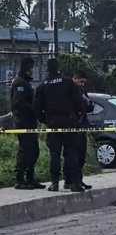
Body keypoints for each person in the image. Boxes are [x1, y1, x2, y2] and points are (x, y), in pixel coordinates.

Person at [35, 58, 87, 192]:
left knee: (55, 154)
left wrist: (46, 120)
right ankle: (74, 183)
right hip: (69, 122)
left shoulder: (43, 85)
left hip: (53, 123)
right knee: (71, 153)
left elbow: (37, 108)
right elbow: (79, 102)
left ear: (47, 69)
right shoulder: (68, 82)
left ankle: (55, 183)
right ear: (58, 68)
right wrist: (78, 116)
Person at [10, 57, 44, 190]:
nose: (32, 71)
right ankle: (20, 180)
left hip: (30, 122)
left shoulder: (26, 83)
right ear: (26, 68)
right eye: (31, 68)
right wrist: (34, 108)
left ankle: (30, 178)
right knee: (25, 151)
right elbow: (18, 103)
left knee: (34, 151)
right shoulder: (20, 83)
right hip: (23, 122)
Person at [69, 70, 94, 190]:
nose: (82, 84)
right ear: (74, 79)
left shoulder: (82, 91)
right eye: (81, 81)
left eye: (84, 82)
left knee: (81, 156)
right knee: (74, 155)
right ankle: (72, 181)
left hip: (82, 124)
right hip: (73, 126)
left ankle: (79, 180)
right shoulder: (69, 90)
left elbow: (90, 106)